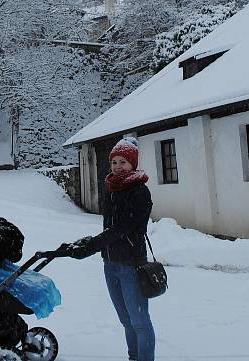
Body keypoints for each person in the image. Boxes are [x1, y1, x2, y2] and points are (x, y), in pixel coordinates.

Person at [61, 136, 155, 361]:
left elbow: (124, 227)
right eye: (114, 162)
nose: (117, 166)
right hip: (110, 264)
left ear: (133, 163)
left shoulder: (139, 191)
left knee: (139, 322)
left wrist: (93, 245)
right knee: (126, 320)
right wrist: (92, 244)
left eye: (123, 162)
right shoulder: (112, 189)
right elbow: (110, 228)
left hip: (131, 265)